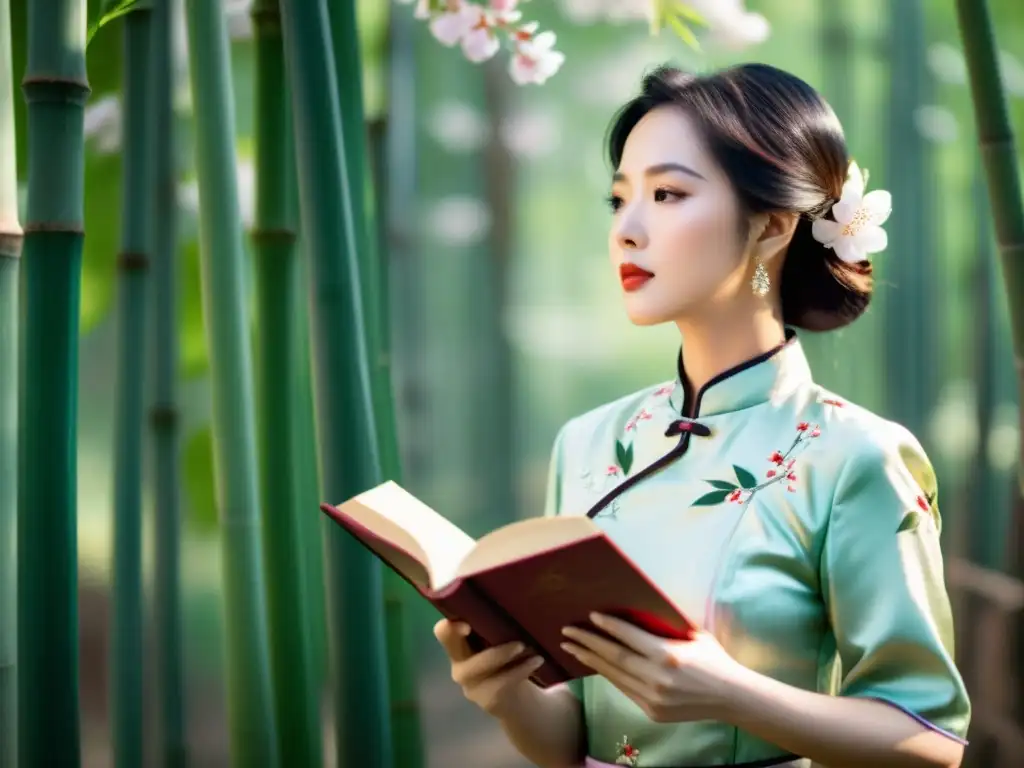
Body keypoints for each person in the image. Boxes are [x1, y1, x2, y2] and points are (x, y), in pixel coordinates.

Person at [433, 63, 970, 768]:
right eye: (619, 199)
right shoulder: (588, 443)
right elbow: (573, 743)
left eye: (666, 193)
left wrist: (732, 695)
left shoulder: (854, 456)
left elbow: (931, 741)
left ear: (772, 229)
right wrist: (504, 693)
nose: (626, 229)